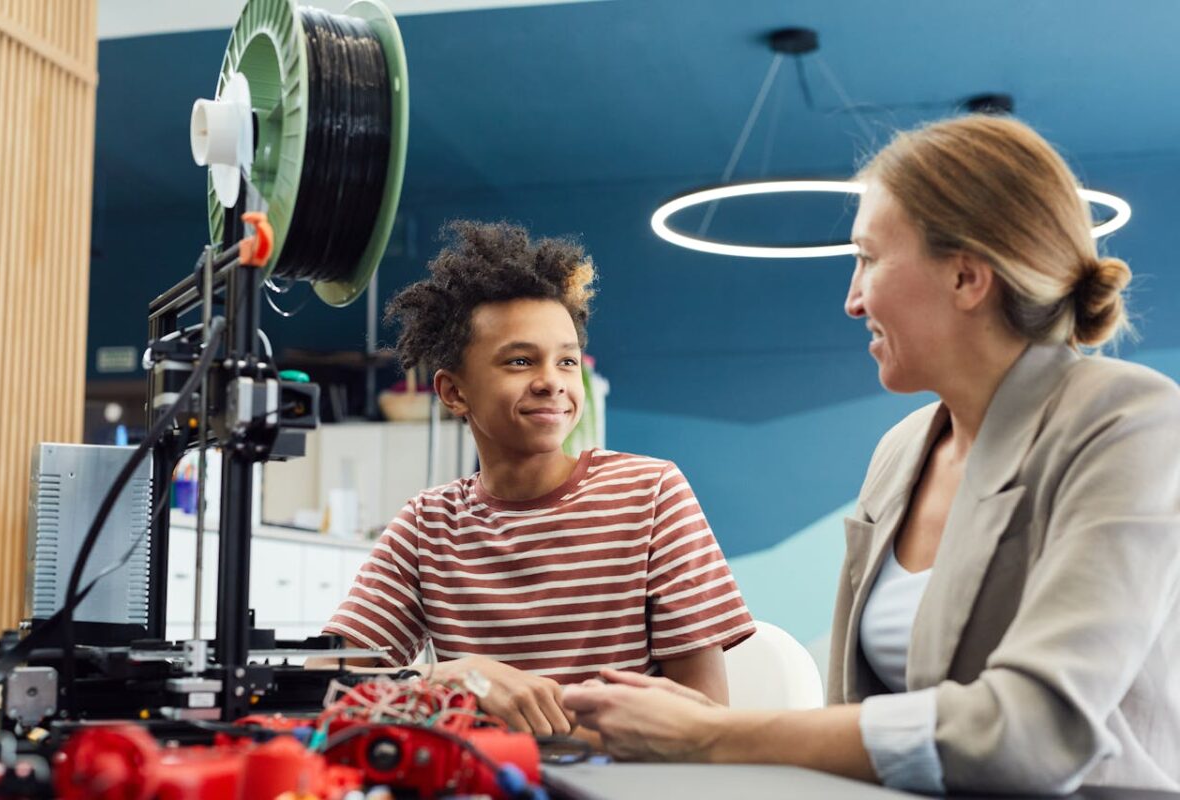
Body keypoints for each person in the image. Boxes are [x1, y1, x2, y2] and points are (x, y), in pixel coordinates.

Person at [562, 115, 1180, 794]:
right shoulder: (902, 450)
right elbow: (863, 720)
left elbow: (1034, 731)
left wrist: (713, 735)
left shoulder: (1129, 421)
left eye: (867, 257)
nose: (852, 300)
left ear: (967, 277)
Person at [317, 220, 755, 737]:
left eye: (567, 361)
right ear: (454, 392)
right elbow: (326, 690)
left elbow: (704, 718)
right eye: (520, 361)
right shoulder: (426, 525)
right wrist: (455, 676)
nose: (551, 382)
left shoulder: (652, 494)